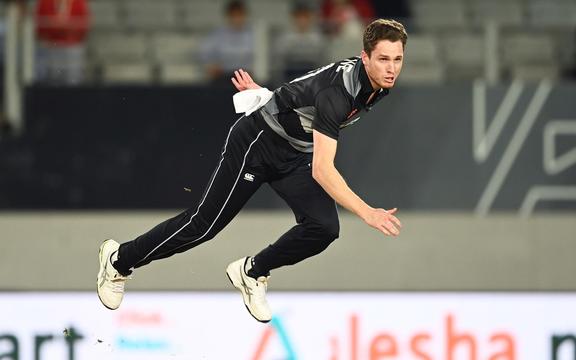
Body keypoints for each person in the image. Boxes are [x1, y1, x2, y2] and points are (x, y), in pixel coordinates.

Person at [97, 19, 406, 323]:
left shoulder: (376, 84)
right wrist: (368, 213)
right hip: (258, 142)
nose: (391, 68)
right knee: (203, 226)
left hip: (296, 152)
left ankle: (251, 272)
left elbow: (308, 86)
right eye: (383, 59)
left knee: (324, 228)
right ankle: (119, 261)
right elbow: (324, 170)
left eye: (397, 59)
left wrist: (272, 96)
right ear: (365, 58)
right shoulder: (340, 94)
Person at [200, 0, 254, 84]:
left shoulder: (254, 34)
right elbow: (205, 54)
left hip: (248, 77)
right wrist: (212, 65)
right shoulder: (217, 34)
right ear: (228, 16)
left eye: (239, 15)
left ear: (244, 15)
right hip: (222, 76)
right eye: (234, 15)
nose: (237, 18)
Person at [274, 3, 326, 82]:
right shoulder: (284, 38)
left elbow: (323, 61)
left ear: (310, 18)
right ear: (293, 18)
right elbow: (280, 61)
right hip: (289, 75)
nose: (302, 20)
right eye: (299, 17)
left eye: (305, 17)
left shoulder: (318, 38)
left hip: (312, 74)